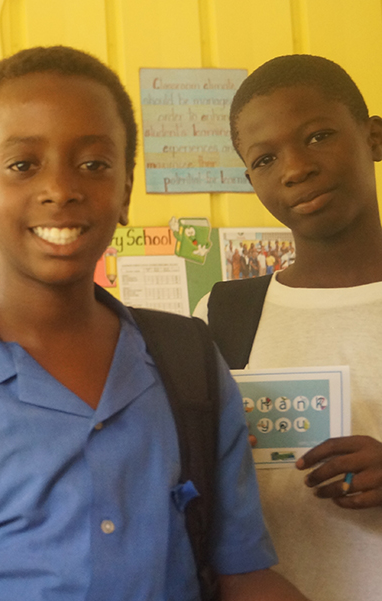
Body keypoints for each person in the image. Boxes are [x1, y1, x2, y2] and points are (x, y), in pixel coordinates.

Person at [0, 46, 306, 600]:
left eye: (94, 164)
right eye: (23, 165)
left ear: (124, 188)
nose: (60, 189)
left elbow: (242, 571)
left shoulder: (188, 364)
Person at [193, 54, 382, 601]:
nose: (295, 168)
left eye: (319, 136)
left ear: (372, 137)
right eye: (266, 158)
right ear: (250, 178)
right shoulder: (222, 317)